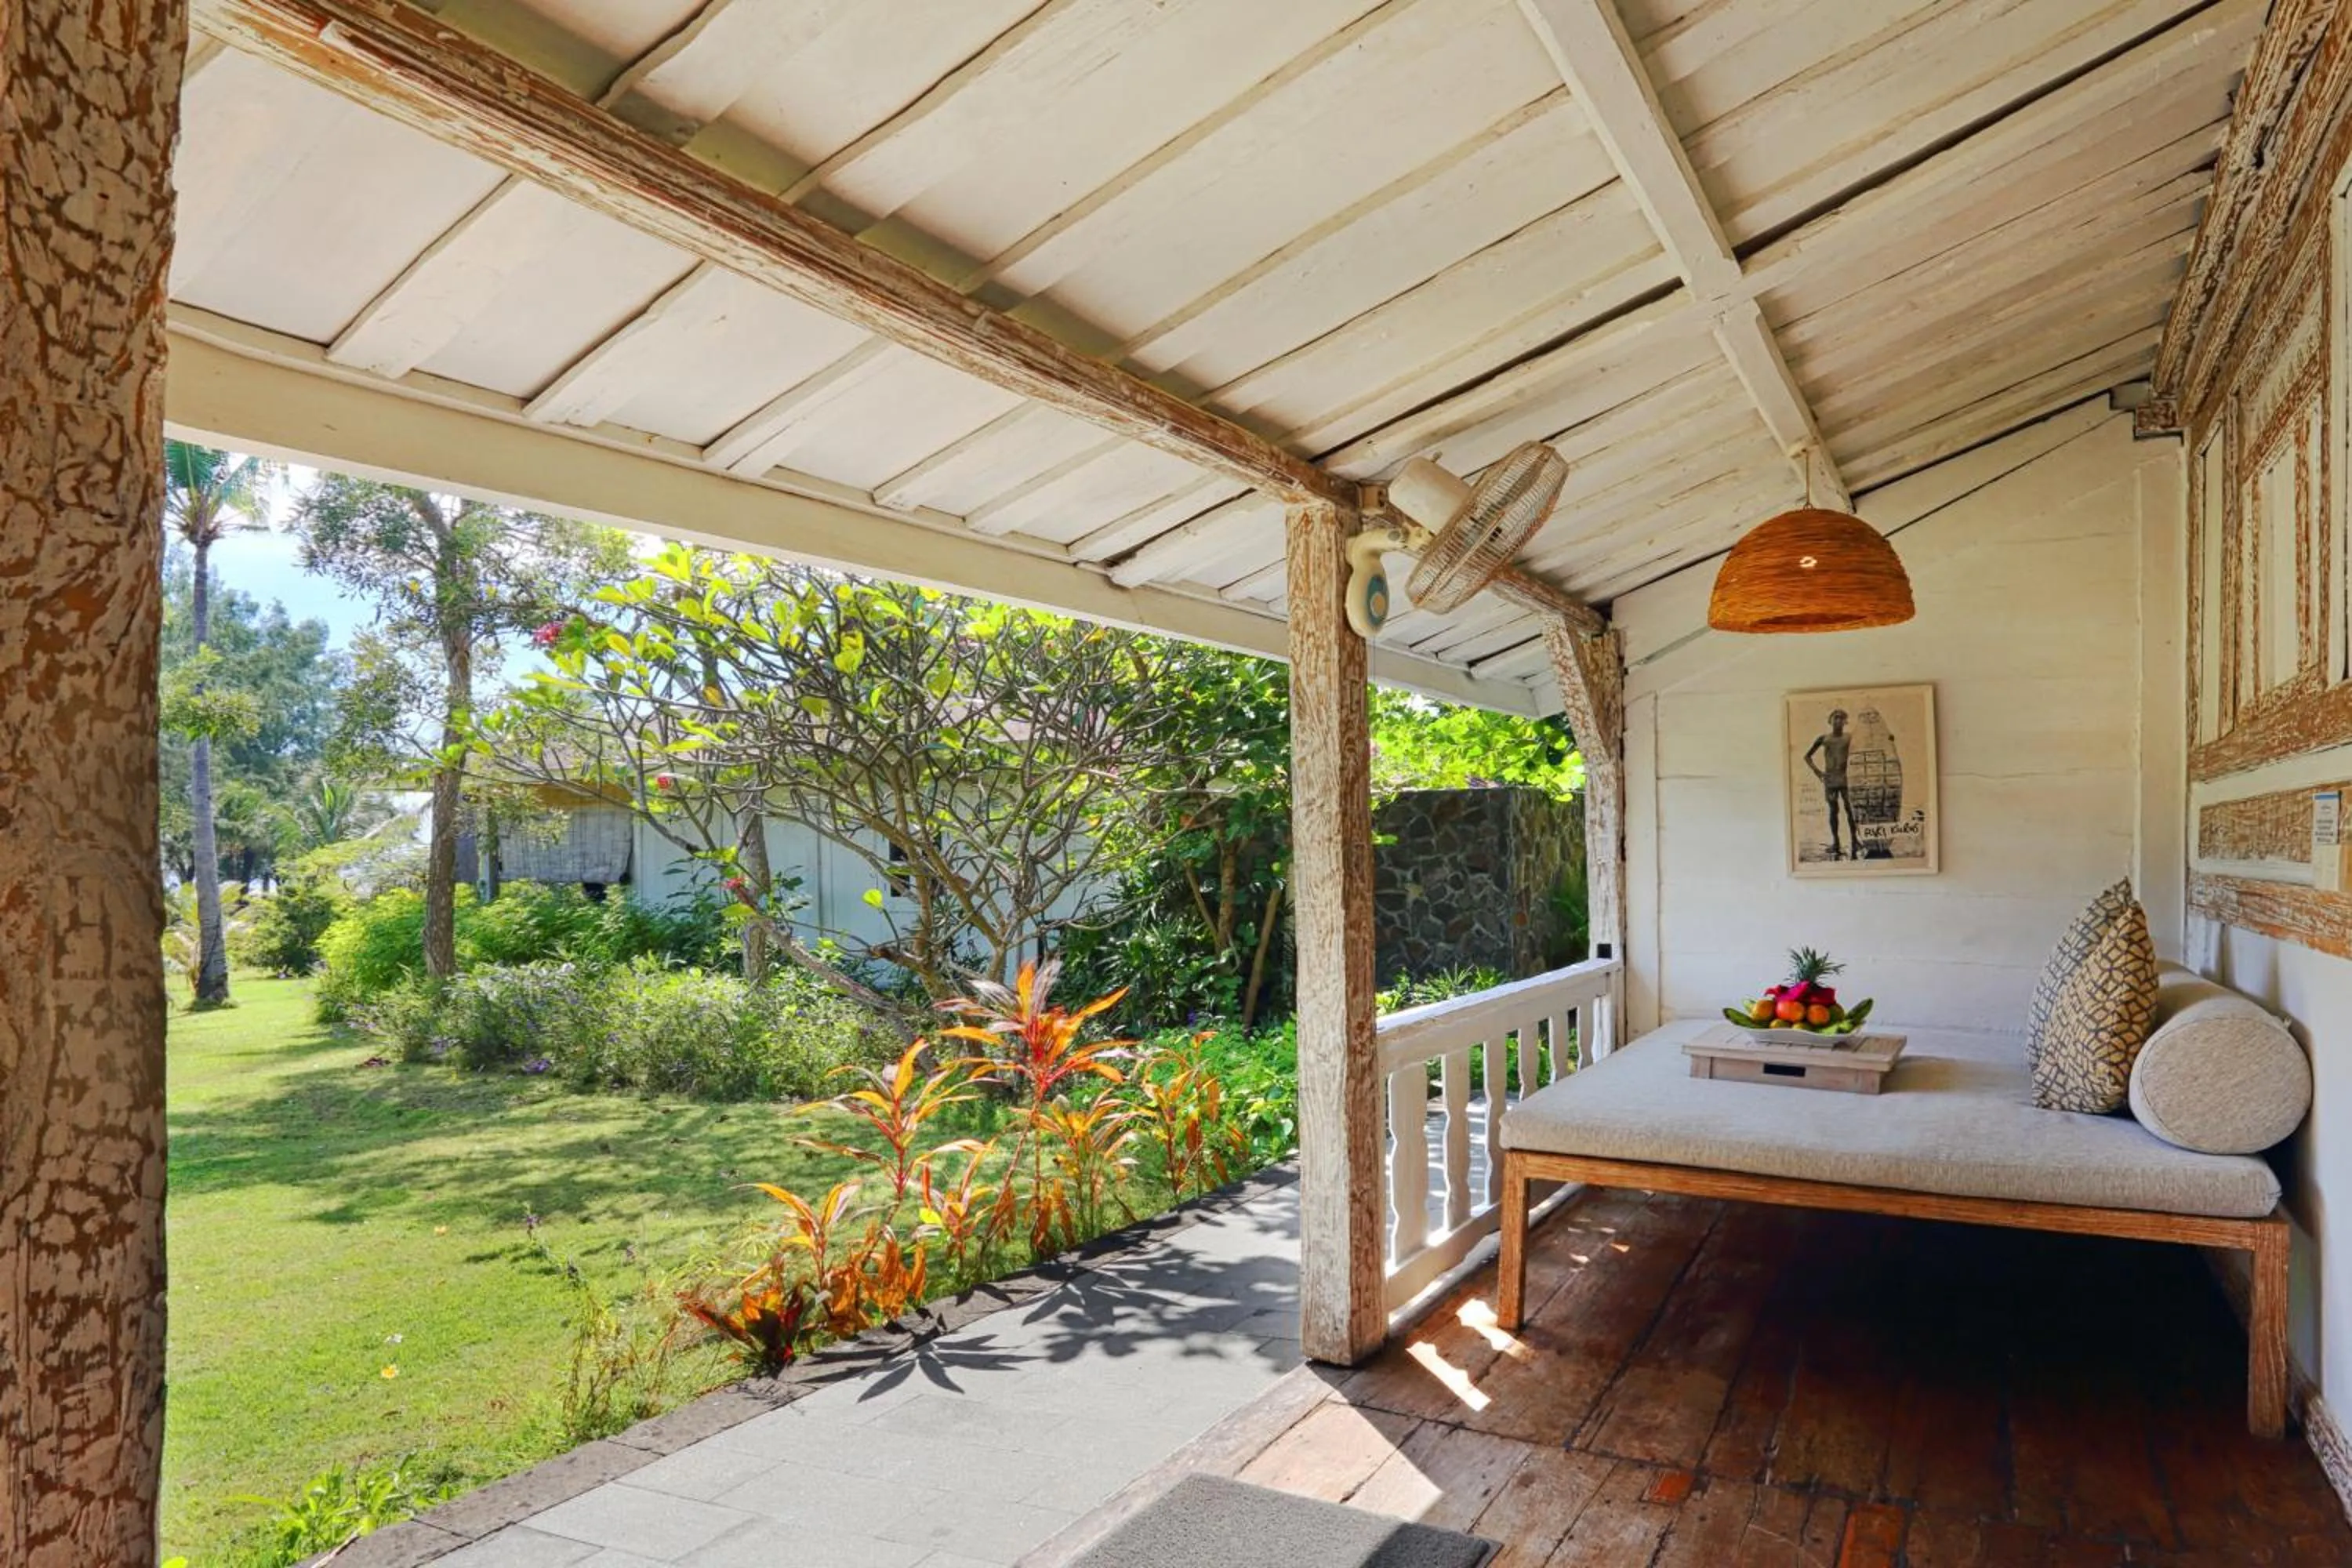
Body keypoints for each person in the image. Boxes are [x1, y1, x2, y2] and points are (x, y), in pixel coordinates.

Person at [1803, 708, 1860, 860]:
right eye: (1836, 718)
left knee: (1850, 810)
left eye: (1842, 718)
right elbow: (1807, 756)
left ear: (1845, 722)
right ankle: (1836, 843)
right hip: (1831, 780)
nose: (1838, 721)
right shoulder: (1824, 739)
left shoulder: (1850, 738)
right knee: (1833, 811)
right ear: (1830, 720)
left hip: (1847, 779)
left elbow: (1860, 751)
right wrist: (1818, 772)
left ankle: (1855, 841)